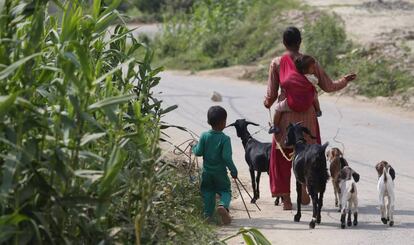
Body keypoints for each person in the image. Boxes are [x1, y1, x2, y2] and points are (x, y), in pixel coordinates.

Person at [264, 26, 356, 210]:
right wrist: (344, 80)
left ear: (284, 43)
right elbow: (329, 86)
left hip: (285, 118)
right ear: (300, 42)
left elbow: (271, 95)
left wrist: (267, 103)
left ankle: (287, 199)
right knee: (311, 155)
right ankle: (305, 188)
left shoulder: (276, 63)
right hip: (308, 117)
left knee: (281, 156)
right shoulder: (310, 62)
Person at [192, 106, 238, 224]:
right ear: (224, 122)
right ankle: (223, 206)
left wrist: (194, 146)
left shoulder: (204, 136)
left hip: (207, 173)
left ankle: (207, 215)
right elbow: (226, 157)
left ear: (208, 122)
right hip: (220, 173)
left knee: (208, 192)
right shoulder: (225, 139)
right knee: (225, 190)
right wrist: (233, 170)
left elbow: (198, 152)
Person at [271, 54, 322, 134]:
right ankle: (318, 110)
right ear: (305, 69)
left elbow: (285, 84)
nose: (314, 69)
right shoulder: (312, 78)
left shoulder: (292, 77)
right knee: (314, 97)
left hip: (292, 103)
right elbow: (316, 81)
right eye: (312, 67)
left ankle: (275, 126)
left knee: (278, 108)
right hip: (307, 103)